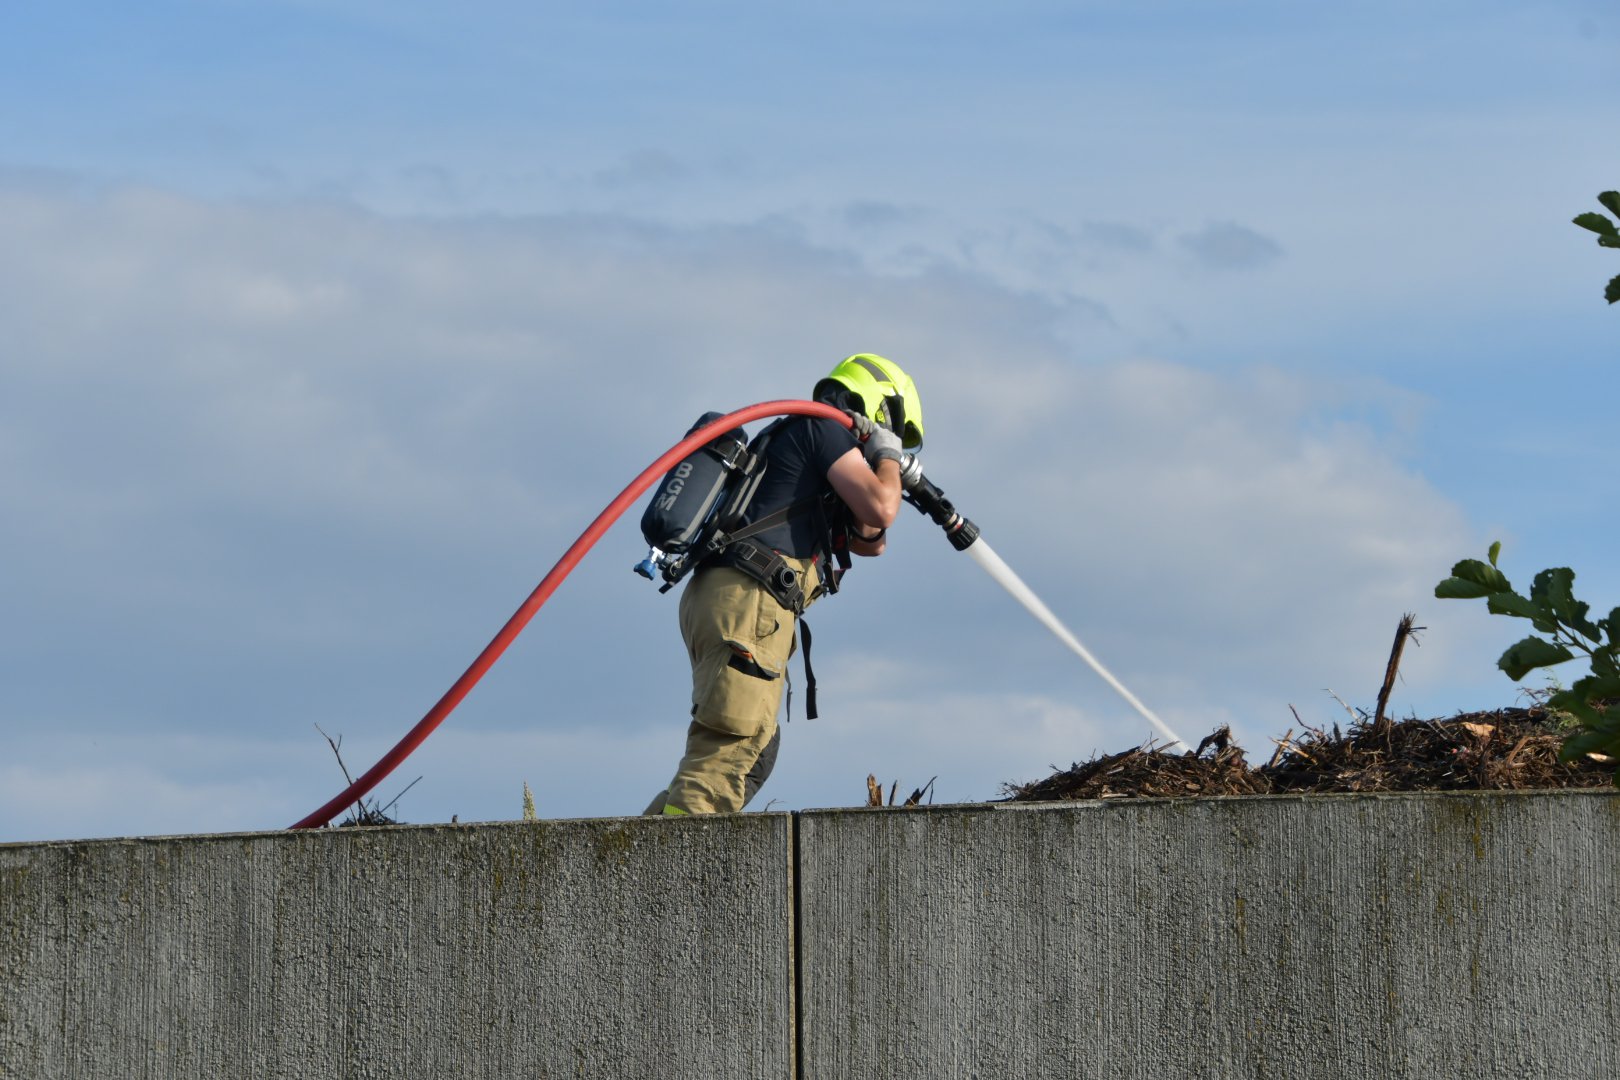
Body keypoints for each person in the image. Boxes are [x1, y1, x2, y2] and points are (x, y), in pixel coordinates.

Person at [644, 354, 925, 816]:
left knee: (752, 749)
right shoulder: (822, 430)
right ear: (880, 410)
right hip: (748, 601)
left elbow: (870, 542)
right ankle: (665, 883)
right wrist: (889, 455)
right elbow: (882, 507)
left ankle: (640, 857)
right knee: (724, 760)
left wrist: (878, 461)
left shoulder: (802, 439)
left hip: (728, 598)